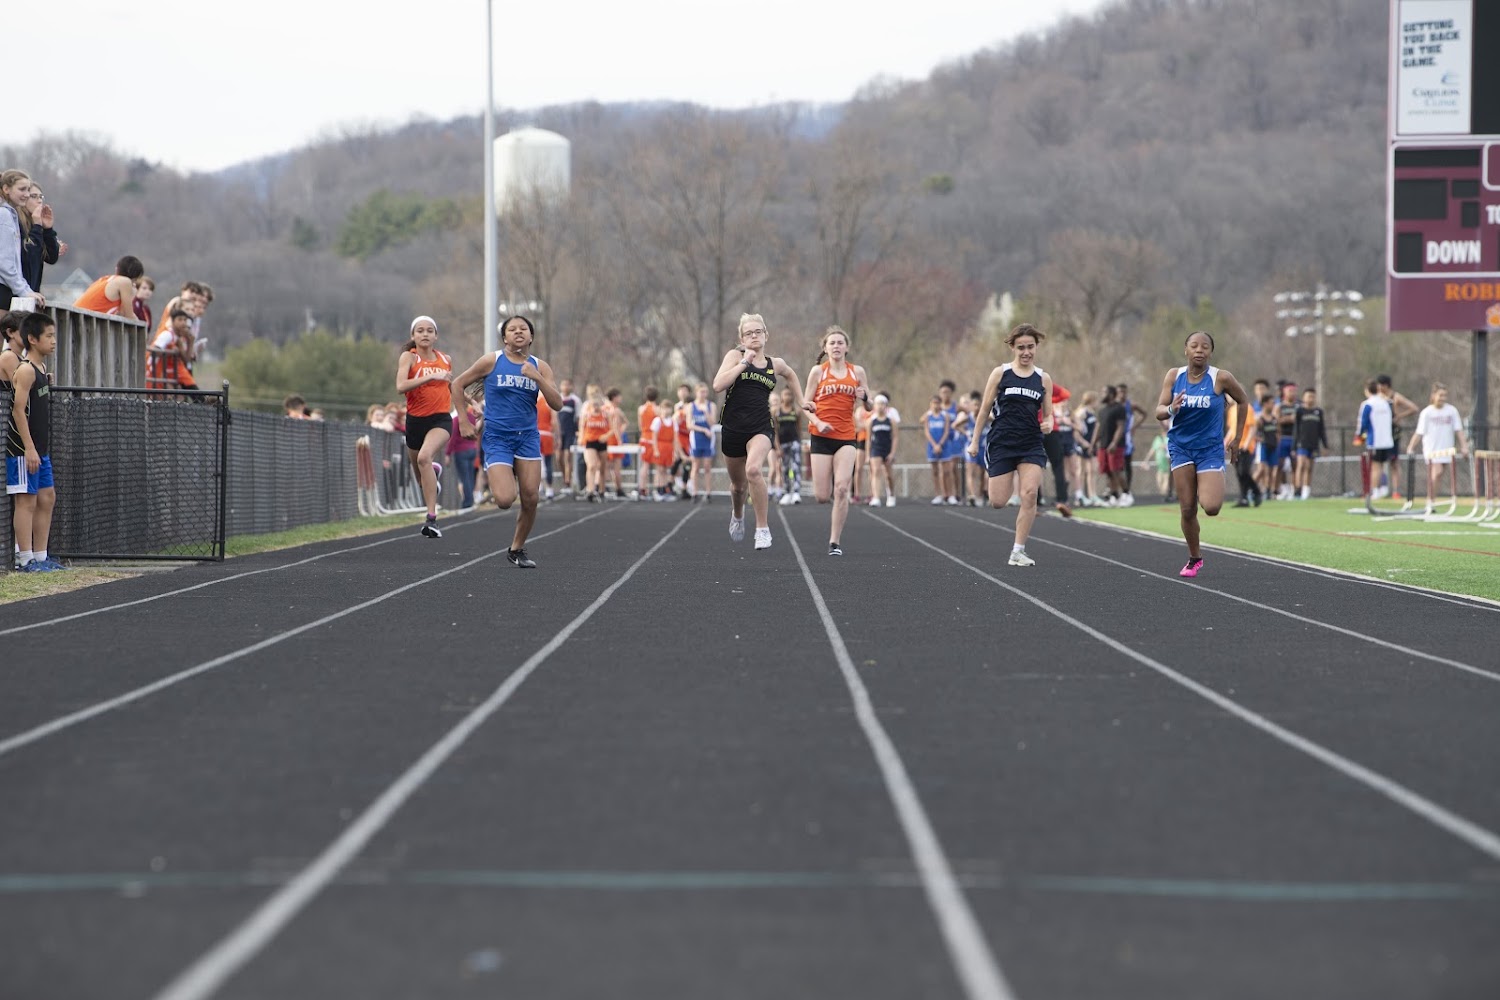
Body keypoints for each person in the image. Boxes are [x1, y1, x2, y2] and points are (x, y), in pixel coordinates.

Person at [452, 315, 563, 568]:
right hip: (498, 437)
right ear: (504, 337)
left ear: (531, 336)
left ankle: (517, 548)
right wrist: (464, 422)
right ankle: (502, 472)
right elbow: (457, 384)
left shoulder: (540, 366)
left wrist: (537, 378)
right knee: (504, 500)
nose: (518, 332)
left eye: (523, 328)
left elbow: (557, 403)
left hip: (528, 438)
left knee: (531, 498)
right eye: (512, 329)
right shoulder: (492, 360)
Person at [1155, 330, 1251, 578]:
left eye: (1205, 346)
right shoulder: (1174, 376)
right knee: (1187, 509)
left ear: (1211, 351)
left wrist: (1237, 438)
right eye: (1194, 346)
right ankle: (1194, 558)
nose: (1199, 350)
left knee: (1211, 507)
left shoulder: (1221, 378)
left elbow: (1243, 401)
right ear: (1186, 350)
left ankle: (1207, 481)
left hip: (1209, 449)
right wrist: (1171, 408)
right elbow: (1159, 411)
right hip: (1181, 447)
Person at [711, 313, 809, 550]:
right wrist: (744, 363)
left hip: (761, 427)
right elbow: (718, 385)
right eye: (749, 333)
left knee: (754, 470)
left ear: (766, 335)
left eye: (758, 332)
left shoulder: (775, 364)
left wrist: (802, 400)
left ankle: (762, 529)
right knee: (738, 487)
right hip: (733, 428)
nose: (754, 336)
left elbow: (791, 374)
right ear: (742, 339)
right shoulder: (735, 356)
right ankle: (738, 514)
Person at [966, 325, 1059, 566]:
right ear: (1012, 348)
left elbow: (1049, 414)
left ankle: (1018, 551)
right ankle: (1006, 480)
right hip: (1002, 442)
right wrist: (974, 441)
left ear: (1036, 347)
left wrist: (1049, 423)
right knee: (998, 501)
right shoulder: (1001, 373)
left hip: (1031, 443)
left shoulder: (1043, 378)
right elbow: (984, 410)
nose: (1026, 352)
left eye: (1030, 347)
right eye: (1021, 348)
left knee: (1030, 493)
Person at [803, 326, 872, 556]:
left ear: (847, 348)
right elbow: (805, 406)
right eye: (832, 343)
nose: (836, 346)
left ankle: (835, 542)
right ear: (825, 348)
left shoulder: (857, 372)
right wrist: (817, 421)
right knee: (822, 496)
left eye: (840, 343)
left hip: (846, 436)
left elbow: (869, 406)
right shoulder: (817, 372)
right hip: (821, 436)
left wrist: (866, 397)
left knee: (842, 488)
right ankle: (829, 486)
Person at [6, 313, 61, 571]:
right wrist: (28, 448)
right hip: (22, 450)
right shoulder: (26, 370)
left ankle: (40, 557)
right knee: (26, 500)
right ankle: (25, 559)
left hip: (40, 450)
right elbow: (18, 410)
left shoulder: (40, 370)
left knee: (47, 497)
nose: (53, 341)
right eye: (48, 336)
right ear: (32, 339)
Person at [395, 315, 452, 537]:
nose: (425, 334)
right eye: (420, 331)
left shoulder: (445, 359)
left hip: (440, 420)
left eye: (430, 330)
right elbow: (401, 386)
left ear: (436, 336)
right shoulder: (409, 357)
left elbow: (450, 386)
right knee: (421, 478)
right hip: (415, 421)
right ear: (413, 335)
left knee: (423, 458)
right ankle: (432, 474)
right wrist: (430, 377)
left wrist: (470, 403)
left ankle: (431, 519)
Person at [1407, 382, 1469, 514]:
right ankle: (1430, 501)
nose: (1443, 398)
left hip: (1447, 449)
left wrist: (1464, 446)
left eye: (1445, 395)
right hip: (1432, 450)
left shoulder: (1452, 411)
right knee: (1437, 472)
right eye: (1440, 395)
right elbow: (1419, 432)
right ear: (1433, 395)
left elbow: (1459, 430)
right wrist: (1411, 447)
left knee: (1438, 476)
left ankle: (1431, 501)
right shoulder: (1427, 413)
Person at [0, 171, 44, 310]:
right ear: (6, 189)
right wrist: (24, 291)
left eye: (28, 189)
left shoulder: (10, 214)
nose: (26, 194)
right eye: (22, 189)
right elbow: (5, 262)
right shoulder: (4, 215)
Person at [1357, 379, 1396, 501]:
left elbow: (1363, 423)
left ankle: (1375, 491)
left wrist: (1359, 436)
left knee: (1375, 467)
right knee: (1382, 465)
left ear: (1367, 390)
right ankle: (1383, 488)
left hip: (1375, 441)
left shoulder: (1368, 404)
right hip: (1387, 440)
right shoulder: (1386, 403)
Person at [22, 184, 63, 296]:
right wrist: (37, 227)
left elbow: (51, 258)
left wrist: (48, 229)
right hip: (15, 295)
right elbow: (29, 254)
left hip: (32, 294)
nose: (39, 201)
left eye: (41, 197)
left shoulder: (37, 225)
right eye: (34, 196)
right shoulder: (17, 224)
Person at [73, 255, 146, 316]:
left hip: (76, 317)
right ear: (135, 277)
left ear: (117, 269)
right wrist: (132, 294)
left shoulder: (106, 279)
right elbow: (128, 315)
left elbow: (121, 313)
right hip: (82, 319)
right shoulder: (125, 282)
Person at [1292, 387, 1327, 500]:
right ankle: (1297, 489)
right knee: (1301, 465)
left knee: (1309, 467)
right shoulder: (1300, 411)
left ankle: (1306, 490)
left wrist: (1325, 445)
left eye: (1313, 396)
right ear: (1304, 397)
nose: (1311, 398)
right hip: (1302, 443)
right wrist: (1294, 446)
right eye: (1309, 396)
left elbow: (1321, 429)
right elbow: (1296, 429)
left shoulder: (1318, 412)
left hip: (1314, 444)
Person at [578, 384, 612, 501]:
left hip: (601, 442)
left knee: (602, 467)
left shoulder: (606, 413)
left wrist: (606, 436)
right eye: (594, 404)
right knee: (591, 465)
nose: (595, 407)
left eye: (597, 404)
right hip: (590, 441)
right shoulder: (587, 413)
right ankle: (590, 490)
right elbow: (582, 426)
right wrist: (581, 437)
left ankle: (601, 490)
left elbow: (612, 429)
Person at [866, 393, 898, 507]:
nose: (880, 406)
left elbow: (895, 437)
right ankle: (876, 497)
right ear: (874, 406)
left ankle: (891, 495)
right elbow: (868, 439)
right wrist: (867, 454)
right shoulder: (871, 421)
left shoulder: (891, 421)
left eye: (882, 404)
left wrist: (892, 453)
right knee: (875, 471)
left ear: (886, 406)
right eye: (878, 404)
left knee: (888, 475)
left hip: (887, 449)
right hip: (876, 449)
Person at [774, 386, 803, 506]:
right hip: (783, 443)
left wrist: (800, 442)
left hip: (794, 442)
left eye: (789, 394)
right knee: (785, 468)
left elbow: (799, 428)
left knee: (796, 467)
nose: (787, 397)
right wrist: (777, 447)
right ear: (781, 396)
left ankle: (796, 492)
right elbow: (775, 430)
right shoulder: (776, 412)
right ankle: (786, 492)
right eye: (785, 394)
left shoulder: (796, 411)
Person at [687, 382, 716, 501]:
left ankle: (708, 492)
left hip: (708, 439)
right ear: (696, 392)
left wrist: (706, 412)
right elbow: (689, 425)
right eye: (701, 392)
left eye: (705, 392)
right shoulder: (691, 406)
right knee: (695, 466)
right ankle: (694, 492)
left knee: (707, 466)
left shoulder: (711, 405)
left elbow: (712, 423)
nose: (704, 394)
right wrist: (703, 430)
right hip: (696, 438)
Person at [555, 378, 581, 496]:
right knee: (558, 457)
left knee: (567, 457)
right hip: (559, 433)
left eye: (568, 385)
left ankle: (567, 482)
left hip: (570, 432)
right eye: (563, 385)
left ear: (571, 387)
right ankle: (565, 477)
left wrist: (578, 431)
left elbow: (578, 418)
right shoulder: (557, 398)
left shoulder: (575, 400)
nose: (565, 387)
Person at [923, 396, 951, 504]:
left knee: (946, 471)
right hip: (932, 446)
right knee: (935, 472)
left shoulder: (945, 415)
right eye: (933, 403)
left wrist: (940, 444)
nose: (935, 405)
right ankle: (938, 495)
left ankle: (949, 494)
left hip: (944, 446)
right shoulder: (928, 416)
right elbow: (927, 431)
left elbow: (946, 431)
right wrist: (934, 445)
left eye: (937, 403)